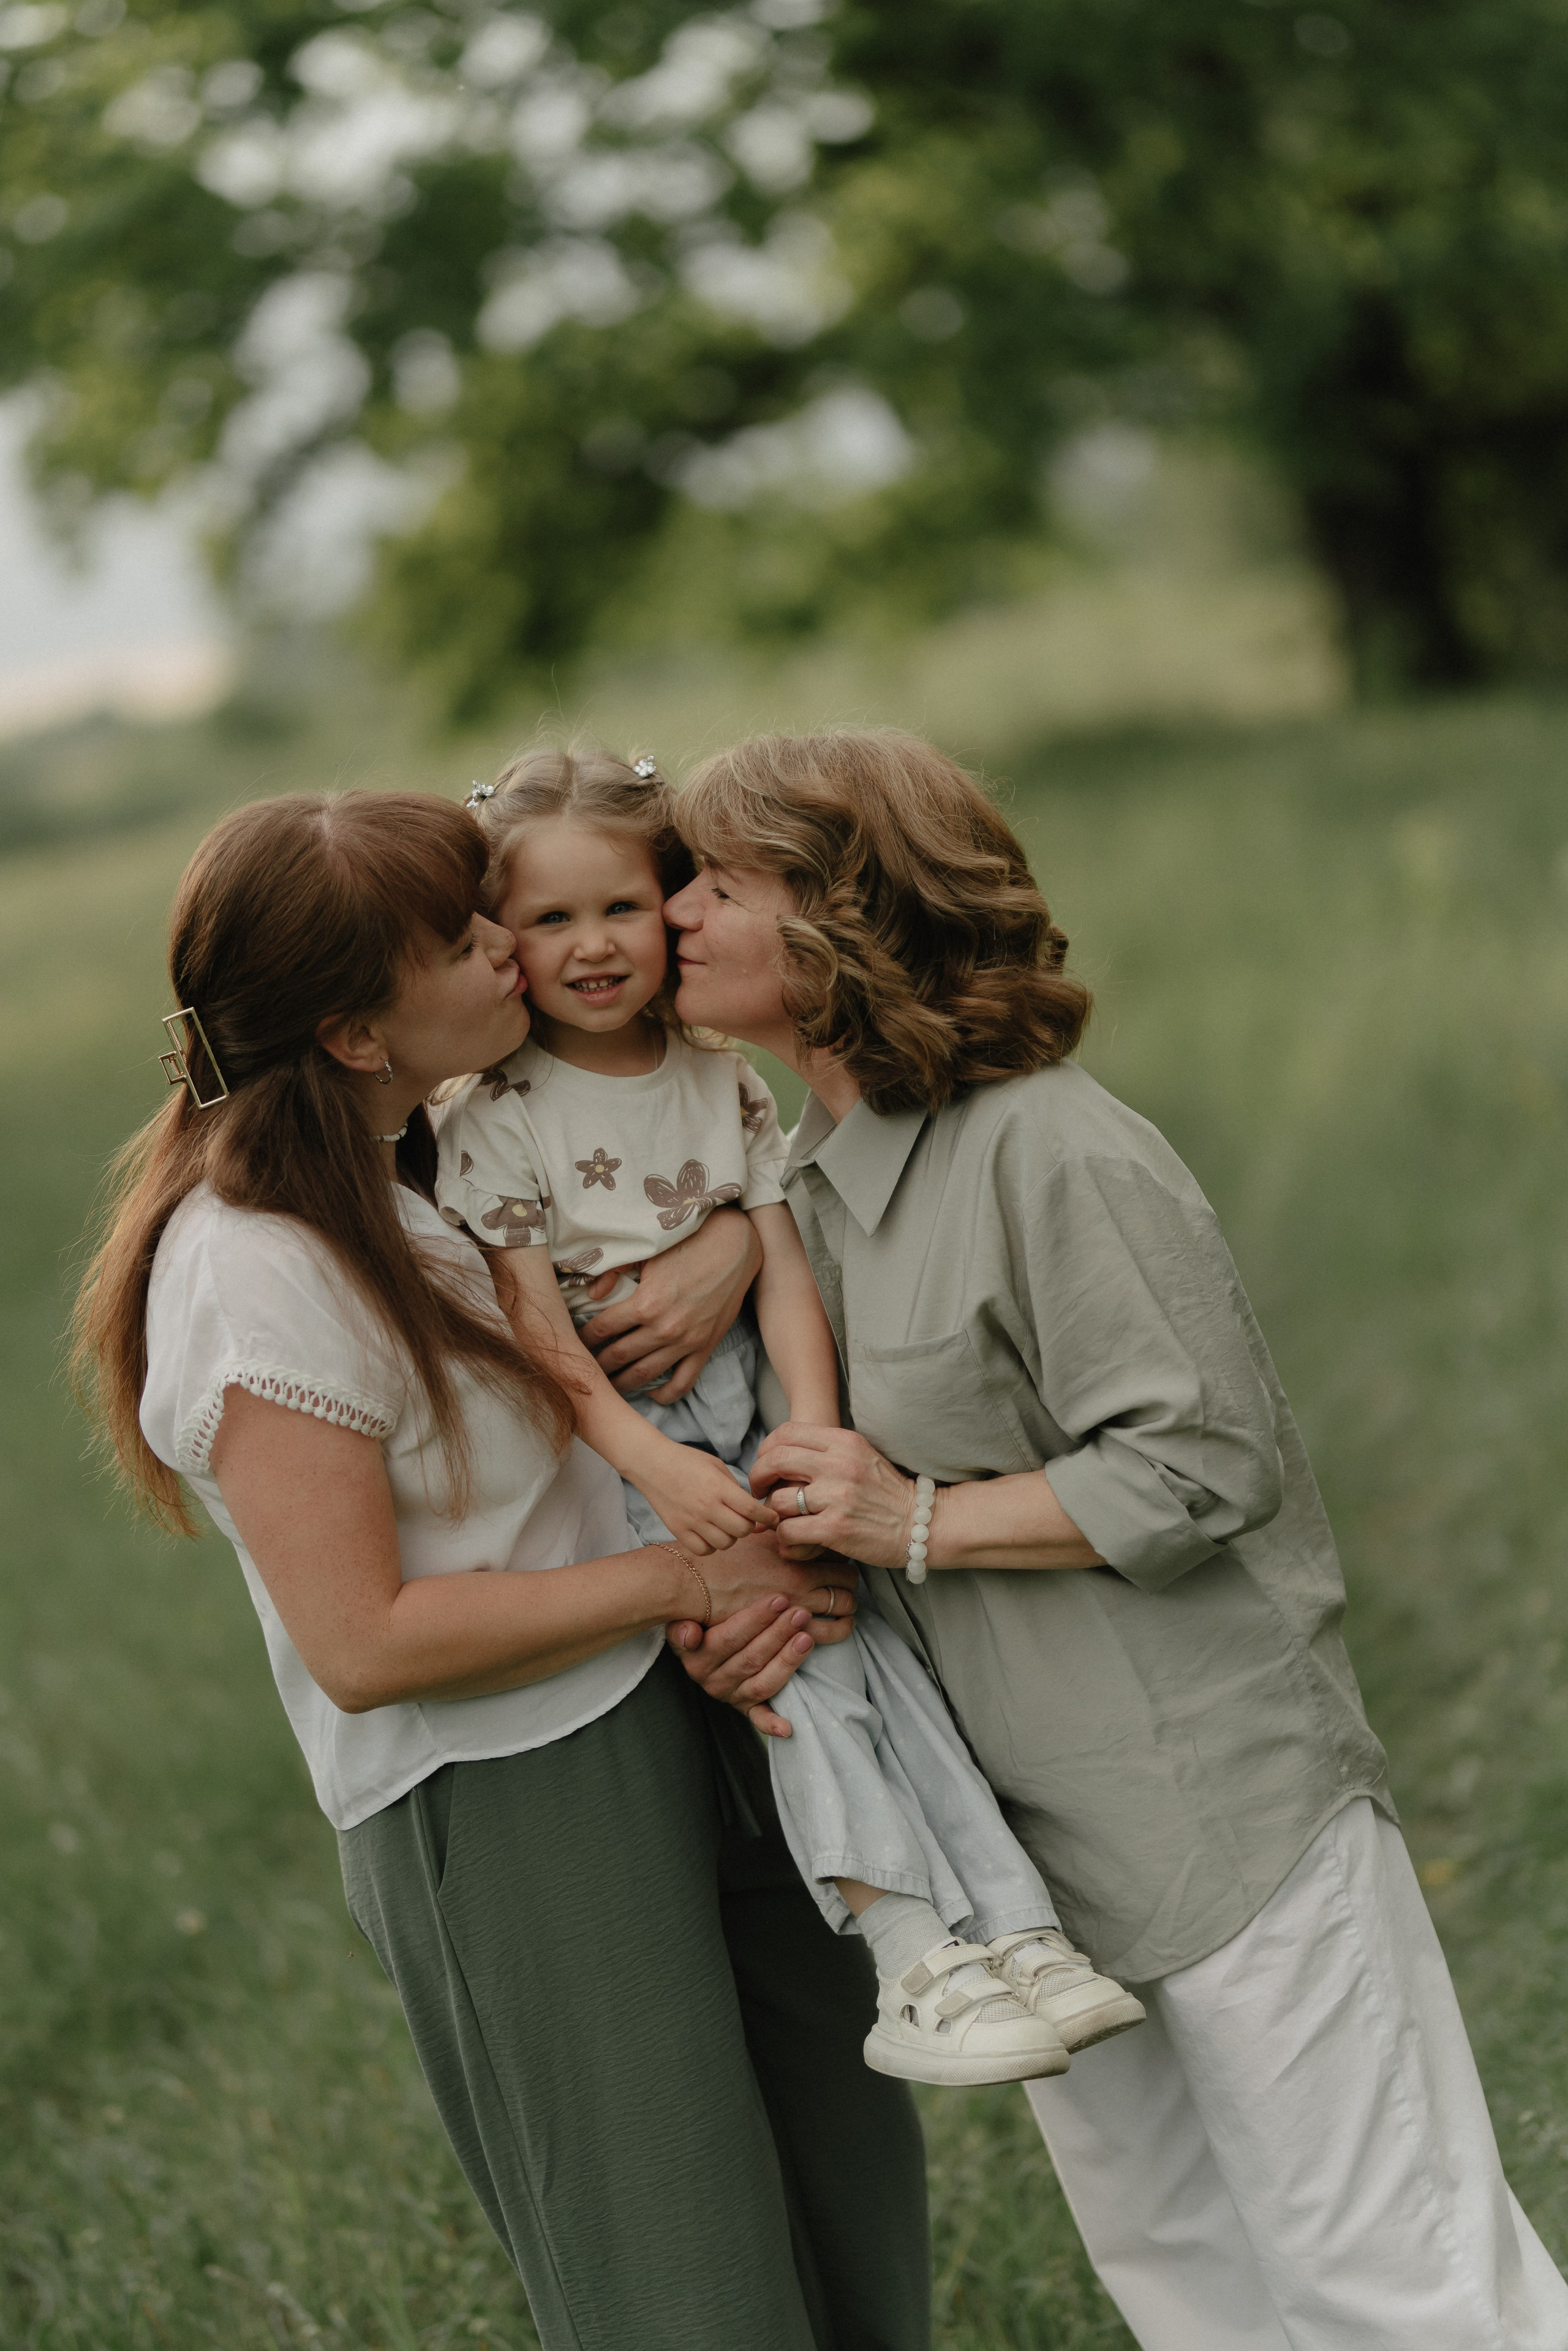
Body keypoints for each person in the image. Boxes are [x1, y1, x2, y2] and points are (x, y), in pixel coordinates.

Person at [661, 725, 1568, 2351]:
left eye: (718, 885)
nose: (673, 917)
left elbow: (1204, 1459)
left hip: (1219, 1811)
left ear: (842, 917)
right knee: (1183, 2276)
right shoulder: (801, 1192)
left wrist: (911, 1515)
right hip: (1025, 1858)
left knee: (1393, 2279)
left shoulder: (1052, 1147)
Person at [70, 788, 932, 2351]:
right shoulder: (255, 1267)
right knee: (681, 2269)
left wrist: (736, 1241)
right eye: (469, 937)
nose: (514, 950)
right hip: (508, 1784)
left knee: (841, 2189)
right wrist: (694, 1581)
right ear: (349, 1030)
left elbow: (656, 1190)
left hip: (681, 1709)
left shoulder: (434, 1153)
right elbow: (368, 1638)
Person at [434, 745, 1142, 2088]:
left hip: (765, 1407)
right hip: (634, 1442)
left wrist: (814, 1435)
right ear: (499, 939)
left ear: (669, 903)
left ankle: (1021, 1927)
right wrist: (658, 1464)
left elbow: (784, 1274)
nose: (594, 946)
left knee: (885, 1658)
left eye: (623, 906)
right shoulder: (497, 1113)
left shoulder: (724, 1078)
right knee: (797, 1666)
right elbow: (544, 1344)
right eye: (549, 919)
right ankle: (911, 1954)